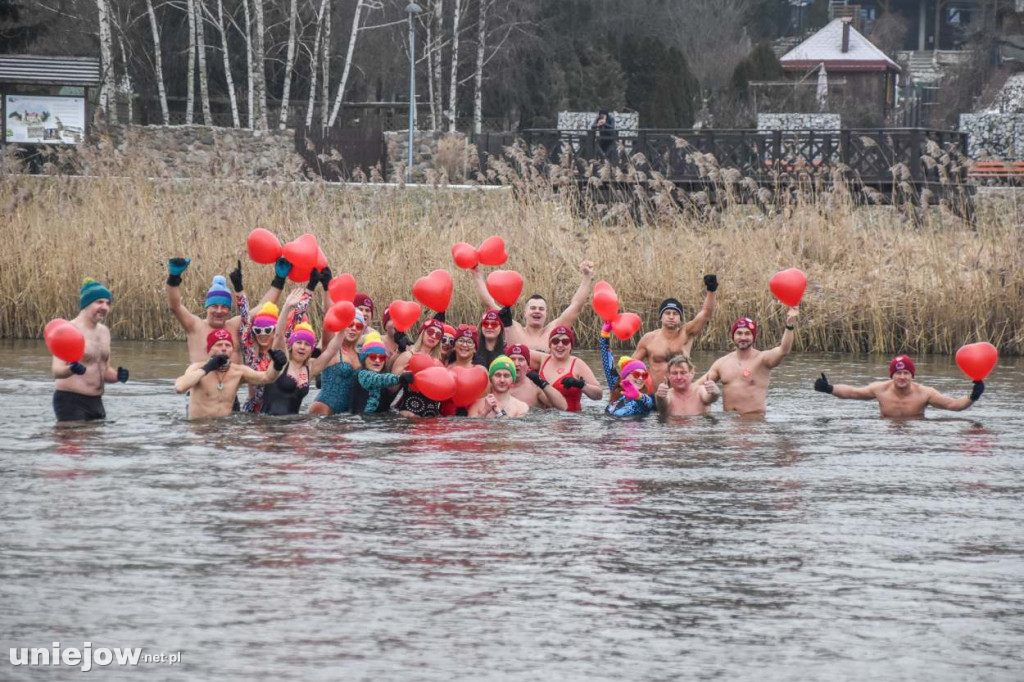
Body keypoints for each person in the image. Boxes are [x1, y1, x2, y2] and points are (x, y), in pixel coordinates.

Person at [165, 256, 287, 363]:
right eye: (214, 306)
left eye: (224, 307)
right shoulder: (194, 325)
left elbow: (262, 307)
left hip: (230, 389)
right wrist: (173, 278)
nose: (219, 311)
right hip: (201, 389)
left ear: (229, 310)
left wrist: (279, 279)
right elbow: (175, 307)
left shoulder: (234, 326)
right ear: (207, 307)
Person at [232, 260, 317, 413]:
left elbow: (298, 315)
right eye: (258, 330)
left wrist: (311, 286)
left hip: (279, 407)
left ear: (275, 330)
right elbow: (245, 319)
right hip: (254, 412)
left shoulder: (282, 348)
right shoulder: (250, 352)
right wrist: (238, 289)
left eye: (268, 330)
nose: (263, 334)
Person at [471, 260, 595, 352]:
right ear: (525, 313)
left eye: (541, 309)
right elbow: (489, 303)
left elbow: (576, 306)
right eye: (533, 308)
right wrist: (477, 275)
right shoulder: (513, 327)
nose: (537, 311)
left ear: (546, 314)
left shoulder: (554, 329)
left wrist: (587, 277)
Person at [51, 278, 129, 422]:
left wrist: (118, 376)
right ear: (86, 304)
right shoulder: (67, 330)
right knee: (75, 440)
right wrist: (71, 369)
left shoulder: (104, 332)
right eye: (99, 302)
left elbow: (104, 370)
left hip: (96, 402)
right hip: (70, 401)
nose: (105, 307)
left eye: (107, 303)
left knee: (96, 444)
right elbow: (56, 372)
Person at [813, 354, 985, 418]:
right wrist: (829, 388)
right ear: (892, 375)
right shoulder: (880, 389)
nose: (902, 377)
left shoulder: (925, 393)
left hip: (914, 433)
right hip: (886, 433)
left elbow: (954, 405)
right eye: (898, 373)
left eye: (906, 373)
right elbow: (852, 393)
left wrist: (973, 396)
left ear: (912, 375)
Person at [701, 309, 798, 416]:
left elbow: (784, 350)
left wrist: (789, 325)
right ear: (733, 336)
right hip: (729, 425)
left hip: (754, 423)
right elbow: (699, 385)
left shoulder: (763, 359)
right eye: (739, 333)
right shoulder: (721, 363)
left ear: (754, 337)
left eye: (747, 334)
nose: (743, 337)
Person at [174, 329, 285, 419]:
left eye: (227, 345)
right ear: (209, 349)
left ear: (232, 349)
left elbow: (267, 378)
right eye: (219, 345)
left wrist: (277, 366)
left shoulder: (238, 371)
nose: (223, 348)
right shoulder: (197, 368)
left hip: (225, 430)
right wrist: (208, 368)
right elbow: (179, 387)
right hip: (200, 431)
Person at [631, 275, 718, 388]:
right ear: (661, 317)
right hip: (656, 398)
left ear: (680, 318)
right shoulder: (648, 339)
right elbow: (630, 366)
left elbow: (706, 313)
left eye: (675, 314)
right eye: (667, 313)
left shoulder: (686, 333)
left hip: (680, 398)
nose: (671, 317)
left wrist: (711, 290)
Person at [309, 310, 365, 416]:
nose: (353, 328)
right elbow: (328, 322)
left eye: (358, 326)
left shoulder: (360, 355)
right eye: (350, 324)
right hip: (323, 409)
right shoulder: (333, 350)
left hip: (345, 416)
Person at [391, 318, 447, 418]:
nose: (433, 336)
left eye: (438, 335)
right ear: (422, 332)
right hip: (409, 413)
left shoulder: (438, 362)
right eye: (430, 332)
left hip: (432, 416)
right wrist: (402, 377)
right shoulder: (408, 356)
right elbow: (391, 388)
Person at [538, 325, 602, 412]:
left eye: (565, 342)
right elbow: (518, 353)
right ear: (550, 345)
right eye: (555, 341)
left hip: (570, 420)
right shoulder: (542, 359)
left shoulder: (578, 364)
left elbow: (599, 395)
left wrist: (581, 385)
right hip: (544, 421)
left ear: (571, 345)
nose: (560, 345)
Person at [349, 334, 415, 414]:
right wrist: (399, 378)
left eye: (382, 357)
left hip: (380, 421)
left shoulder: (384, 374)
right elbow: (378, 379)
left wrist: (400, 350)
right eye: (373, 356)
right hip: (362, 422)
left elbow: (389, 369)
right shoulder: (362, 375)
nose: (377, 360)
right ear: (364, 358)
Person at [599, 323, 655, 417]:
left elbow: (648, 404)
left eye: (644, 375)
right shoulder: (616, 385)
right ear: (625, 376)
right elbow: (608, 364)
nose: (640, 378)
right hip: (611, 428)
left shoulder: (645, 399)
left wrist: (638, 396)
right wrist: (605, 334)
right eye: (636, 374)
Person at [506, 344, 567, 409]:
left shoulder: (535, 387)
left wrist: (541, 382)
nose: (516, 364)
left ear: (527, 364)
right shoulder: (498, 385)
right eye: (512, 359)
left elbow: (562, 407)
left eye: (521, 360)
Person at [655, 355, 720, 417]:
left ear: (691, 373)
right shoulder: (668, 395)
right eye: (674, 373)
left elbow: (710, 398)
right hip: (673, 427)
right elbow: (662, 403)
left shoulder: (700, 391)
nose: (679, 377)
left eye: (683, 373)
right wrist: (660, 396)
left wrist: (715, 392)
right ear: (669, 375)